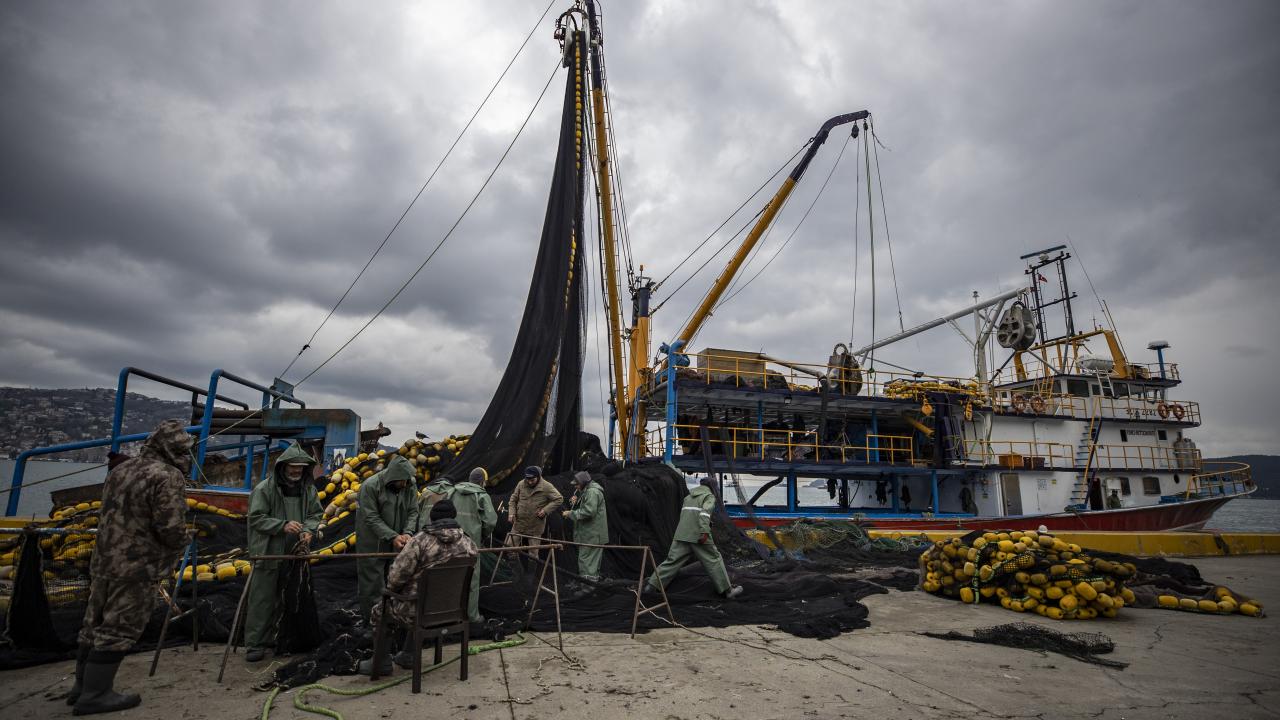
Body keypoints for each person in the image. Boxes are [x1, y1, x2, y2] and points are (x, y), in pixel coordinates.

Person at [71, 420, 191, 716]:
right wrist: (183, 541)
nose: (186, 455)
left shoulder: (120, 469)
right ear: (171, 449)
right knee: (120, 625)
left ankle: (80, 687)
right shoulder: (167, 476)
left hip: (103, 560)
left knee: (93, 623)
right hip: (138, 565)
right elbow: (170, 526)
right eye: (181, 450)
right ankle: (96, 694)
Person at [360, 499, 479, 675]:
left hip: (418, 612)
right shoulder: (469, 544)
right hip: (453, 612)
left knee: (380, 609)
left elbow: (395, 578)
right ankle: (408, 655)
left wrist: (392, 590)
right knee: (422, 600)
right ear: (454, 517)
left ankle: (381, 662)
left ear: (431, 518)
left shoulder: (420, 541)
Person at [244, 443, 323, 663]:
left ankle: (278, 637)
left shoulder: (308, 490)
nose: (296, 471)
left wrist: (308, 530)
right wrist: (282, 525)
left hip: (295, 553)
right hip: (268, 551)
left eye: (300, 467)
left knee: (288, 597)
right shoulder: (264, 490)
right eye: (293, 466)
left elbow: (315, 514)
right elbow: (256, 518)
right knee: (262, 598)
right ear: (283, 467)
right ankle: (256, 643)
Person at [646, 478, 742, 599]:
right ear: (712, 487)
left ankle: (651, 585)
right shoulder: (708, 496)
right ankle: (728, 591)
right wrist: (704, 532)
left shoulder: (688, 497)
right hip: (698, 536)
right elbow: (704, 514)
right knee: (714, 560)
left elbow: (687, 516)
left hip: (682, 534)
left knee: (672, 561)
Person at [356, 455, 420, 623]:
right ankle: (373, 623)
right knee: (372, 584)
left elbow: (413, 511)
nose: (405, 484)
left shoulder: (409, 484)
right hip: (372, 543)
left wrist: (408, 532)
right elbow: (371, 517)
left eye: (407, 481)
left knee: (396, 580)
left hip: (398, 542)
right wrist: (392, 536)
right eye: (402, 481)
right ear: (393, 477)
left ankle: (393, 620)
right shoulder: (370, 486)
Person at [427, 468, 496, 623]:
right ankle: (472, 616)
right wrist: (481, 535)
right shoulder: (481, 495)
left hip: (448, 541)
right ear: (482, 482)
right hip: (471, 544)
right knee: (472, 579)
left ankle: (448, 615)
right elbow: (490, 521)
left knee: (450, 576)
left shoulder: (452, 491)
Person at [562, 471, 607, 580]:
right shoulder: (587, 491)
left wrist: (570, 513)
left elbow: (589, 511)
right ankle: (590, 583)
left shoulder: (592, 492)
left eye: (577, 484)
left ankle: (588, 586)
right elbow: (587, 507)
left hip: (592, 535)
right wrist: (575, 502)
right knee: (590, 561)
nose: (575, 487)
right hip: (591, 535)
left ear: (583, 483)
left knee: (587, 560)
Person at [507, 465, 562, 548]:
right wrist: (511, 513)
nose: (530, 482)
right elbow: (513, 500)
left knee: (533, 551)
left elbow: (559, 499)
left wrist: (545, 510)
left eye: (532, 480)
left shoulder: (546, 486)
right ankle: (513, 557)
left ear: (538, 477)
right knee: (510, 547)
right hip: (519, 523)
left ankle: (532, 558)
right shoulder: (521, 484)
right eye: (528, 479)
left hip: (535, 525)